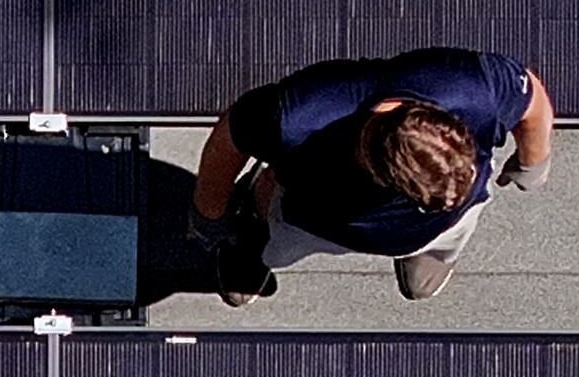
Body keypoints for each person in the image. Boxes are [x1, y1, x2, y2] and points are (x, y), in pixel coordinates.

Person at [190, 47, 556, 305]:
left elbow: (532, 99)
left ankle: (430, 250)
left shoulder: (477, 90)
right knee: (277, 242)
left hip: (455, 220)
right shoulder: (296, 122)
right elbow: (230, 137)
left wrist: (533, 161)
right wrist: (210, 215)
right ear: (380, 173)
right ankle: (253, 239)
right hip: (313, 222)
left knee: (455, 229)